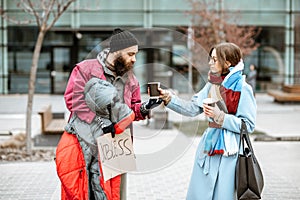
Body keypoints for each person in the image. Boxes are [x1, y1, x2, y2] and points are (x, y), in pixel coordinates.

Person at [55, 28, 162, 200]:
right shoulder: (85, 69)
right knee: (82, 191)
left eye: (135, 54)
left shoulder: (131, 78)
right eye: (130, 54)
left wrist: (144, 108)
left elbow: (132, 108)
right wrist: (102, 121)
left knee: (114, 194)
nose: (134, 59)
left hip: (116, 146)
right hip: (86, 142)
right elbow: (73, 100)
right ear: (116, 51)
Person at [159, 42, 257, 200]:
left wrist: (221, 117)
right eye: (210, 59)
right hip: (209, 148)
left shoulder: (243, 88)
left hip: (230, 153)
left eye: (214, 59)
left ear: (228, 63)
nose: (210, 63)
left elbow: (249, 125)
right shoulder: (212, 84)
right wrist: (169, 99)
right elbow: (192, 109)